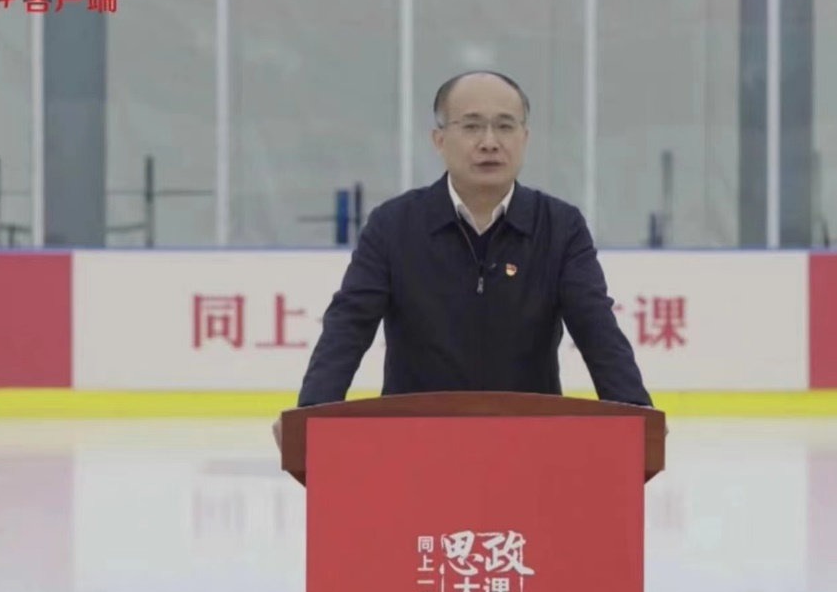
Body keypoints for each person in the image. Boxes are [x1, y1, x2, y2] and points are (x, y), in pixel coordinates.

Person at [276, 71, 651, 447]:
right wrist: (311, 411)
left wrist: (636, 412)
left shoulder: (559, 226)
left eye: (505, 126)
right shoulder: (393, 225)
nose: (489, 142)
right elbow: (349, 325)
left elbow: (596, 327)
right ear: (439, 139)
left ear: (524, 137)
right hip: (413, 444)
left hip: (530, 445)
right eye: (472, 126)